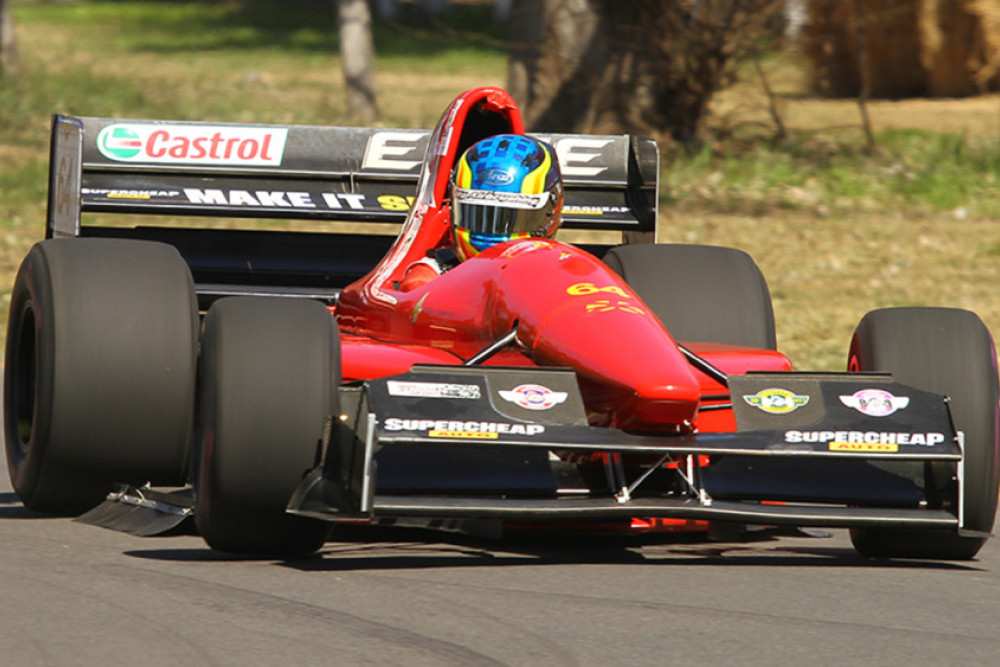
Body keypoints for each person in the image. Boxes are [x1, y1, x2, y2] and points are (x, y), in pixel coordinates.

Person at [398, 133, 564, 290]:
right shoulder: (433, 273)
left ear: (550, 214)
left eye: (512, 218)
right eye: (478, 215)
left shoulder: (562, 274)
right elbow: (417, 284)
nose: (492, 232)